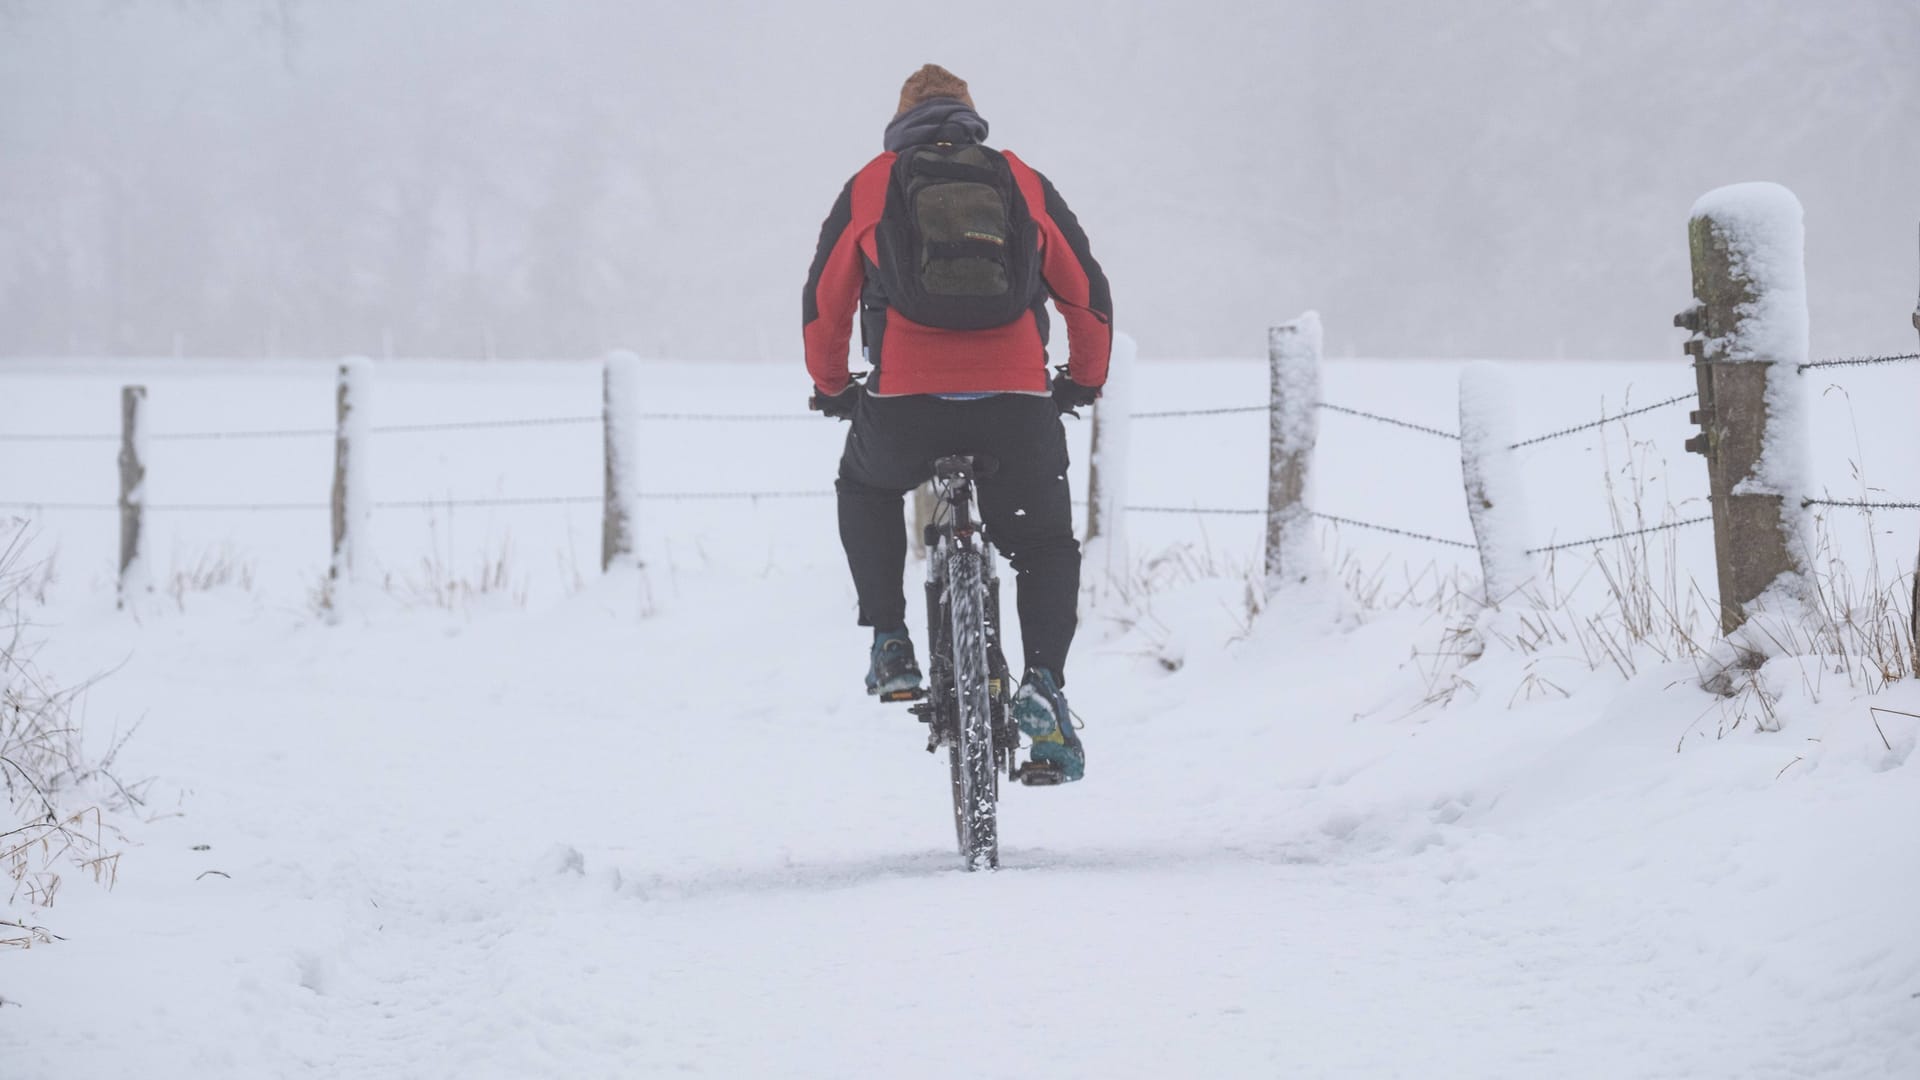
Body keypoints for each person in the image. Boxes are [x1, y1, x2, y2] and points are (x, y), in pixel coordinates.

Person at [802, 64, 1112, 783]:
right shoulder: (1020, 179)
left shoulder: (874, 183)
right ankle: (1044, 684)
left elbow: (827, 300)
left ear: (900, 122)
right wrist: (1083, 379)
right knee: (1040, 544)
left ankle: (889, 641)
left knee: (868, 487)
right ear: (972, 119)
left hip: (906, 402)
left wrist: (832, 386)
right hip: (1015, 401)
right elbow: (1086, 292)